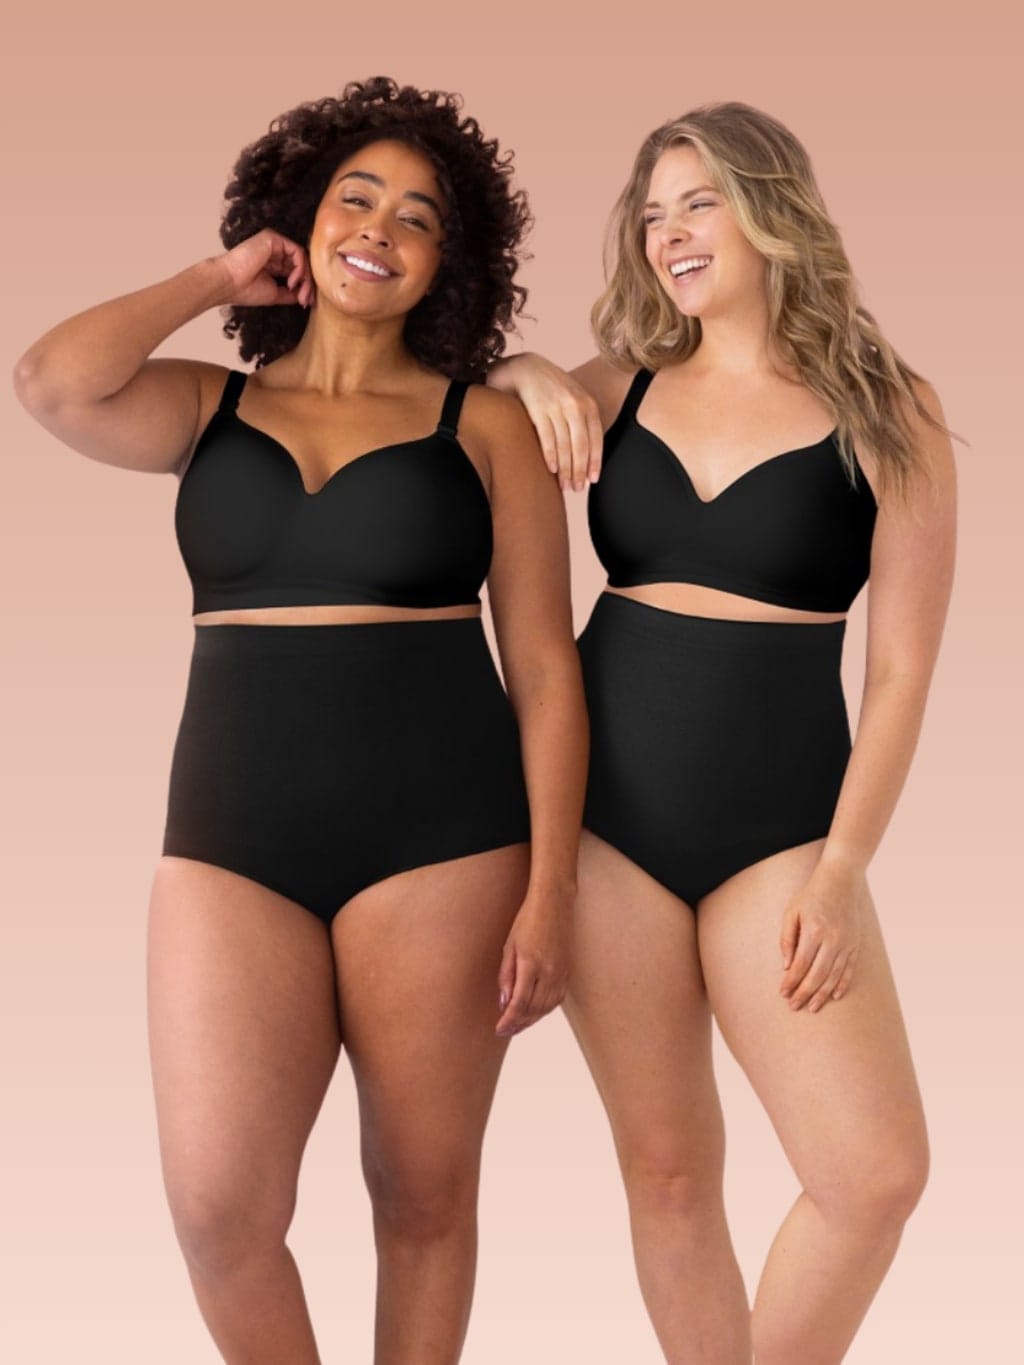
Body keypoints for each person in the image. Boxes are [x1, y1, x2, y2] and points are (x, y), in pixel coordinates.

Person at [14, 76, 587, 1365]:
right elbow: (49, 381)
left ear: (449, 263)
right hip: (232, 846)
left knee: (422, 1197)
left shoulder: (484, 425)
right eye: (354, 198)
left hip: (445, 845)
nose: (380, 228)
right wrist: (220, 277)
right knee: (219, 1212)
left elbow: (546, 673)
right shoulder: (208, 408)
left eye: (420, 217)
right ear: (301, 220)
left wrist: (551, 892)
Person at [490, 101, 955, 1363]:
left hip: (780, 836)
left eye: (698, 202)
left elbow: (901, 671)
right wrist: (526, 370)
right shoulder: (618, 384)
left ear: (769, 209)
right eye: (652, 215)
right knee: (668, 1173)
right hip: (601, 826)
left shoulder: (889, 410)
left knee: (872, 1176)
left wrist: (842, 869)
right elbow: (468, 416)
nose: (670, 234)